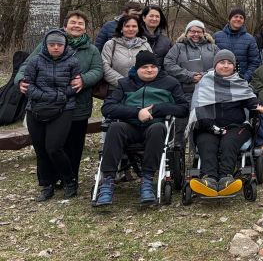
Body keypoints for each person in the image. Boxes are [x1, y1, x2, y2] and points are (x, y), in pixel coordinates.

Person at [17, 11, 104, 188]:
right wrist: (20, 80)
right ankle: (49, 180)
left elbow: (98, 70)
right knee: (49, 145)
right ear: (65, 26)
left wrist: (84, 79)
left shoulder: (91, 50)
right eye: (73, 22)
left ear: (85, 28)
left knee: (74, 145)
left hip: (77, 104)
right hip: (46, 105)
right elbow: (27, 64)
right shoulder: (49, 44)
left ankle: (70, 180)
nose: (76, 25)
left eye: (80, 23)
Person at [94, 51, 188, 206]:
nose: (149, 70)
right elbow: (108, 108)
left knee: (157, 128)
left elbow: (183, 108)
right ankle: (108, 181)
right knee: (115, 127)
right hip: (129, 126)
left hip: (155, 126)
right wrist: (137, 112)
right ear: (137, 68)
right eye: (145, 67)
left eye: (153, 66)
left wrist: (156, 109)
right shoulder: (125, 84)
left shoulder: (170, 82)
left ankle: (147, 180)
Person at [187, 50, 263, 193]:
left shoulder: (240, 83)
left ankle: (226, 177)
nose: (225, 66)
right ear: (215, 65)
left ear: (234, 66)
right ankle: (209, 178)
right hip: (208, 126)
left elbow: (251, 101)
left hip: (236, 127)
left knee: (229, 142)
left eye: (229, 63)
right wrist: (211, 127)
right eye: (221, 63)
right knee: (206, 142)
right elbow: (198, 108)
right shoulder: (204, 83)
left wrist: (262, 107)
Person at [21, 30, 82, 201]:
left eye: (59, 45)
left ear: (65, 46)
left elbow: (76, 87)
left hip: (64, 108)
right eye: (52, 44)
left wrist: (60, 97)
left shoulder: (73, 62)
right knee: (40, 150)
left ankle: (69, 179)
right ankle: (46, 184)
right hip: (36, 108)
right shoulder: (35, 61)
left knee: (54, 148)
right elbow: (28, 86)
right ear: (46, 45)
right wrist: (51, 96)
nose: (56, 47)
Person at [163, 20, 220, 96]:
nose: (196, 34)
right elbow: (168, 64)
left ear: (203, 33)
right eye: (192, 31)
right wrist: (189, 76)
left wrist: (204, 75)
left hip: (209, 91)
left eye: (199, 32)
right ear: (187, 33)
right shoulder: (178, 47)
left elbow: (220, 64)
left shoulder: (213, 47)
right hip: (183, 92)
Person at [101, 16, 152, 89]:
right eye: (127, 26)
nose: (131, 29)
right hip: (115, 89)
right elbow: (104, 67)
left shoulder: (145, 45)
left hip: (140, 89)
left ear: (138, 29)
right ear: (121, 29)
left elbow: (152, 66)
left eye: (134, 26)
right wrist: (124, 83)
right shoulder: (110, 45)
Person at [213, 7, 260, 81]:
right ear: (229, 19)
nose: (238, 19)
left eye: (241, 17)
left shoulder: (250, 39)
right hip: (219, 80)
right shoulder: (216, 36)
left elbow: (254, 62)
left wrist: (245, 79)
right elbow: (211, 59)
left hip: (241, 81)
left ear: (243, 21)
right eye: (235, 16)